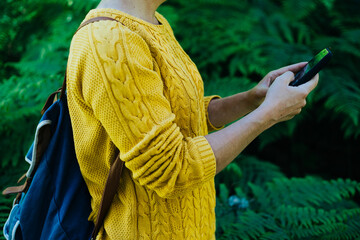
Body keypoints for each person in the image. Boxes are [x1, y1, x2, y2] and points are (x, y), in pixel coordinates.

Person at [66, 0, 319, 239]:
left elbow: (180, 117)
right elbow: (170, 169)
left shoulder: (151, 22)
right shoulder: (109, 41)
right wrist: (267, 115)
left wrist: (252, 99)